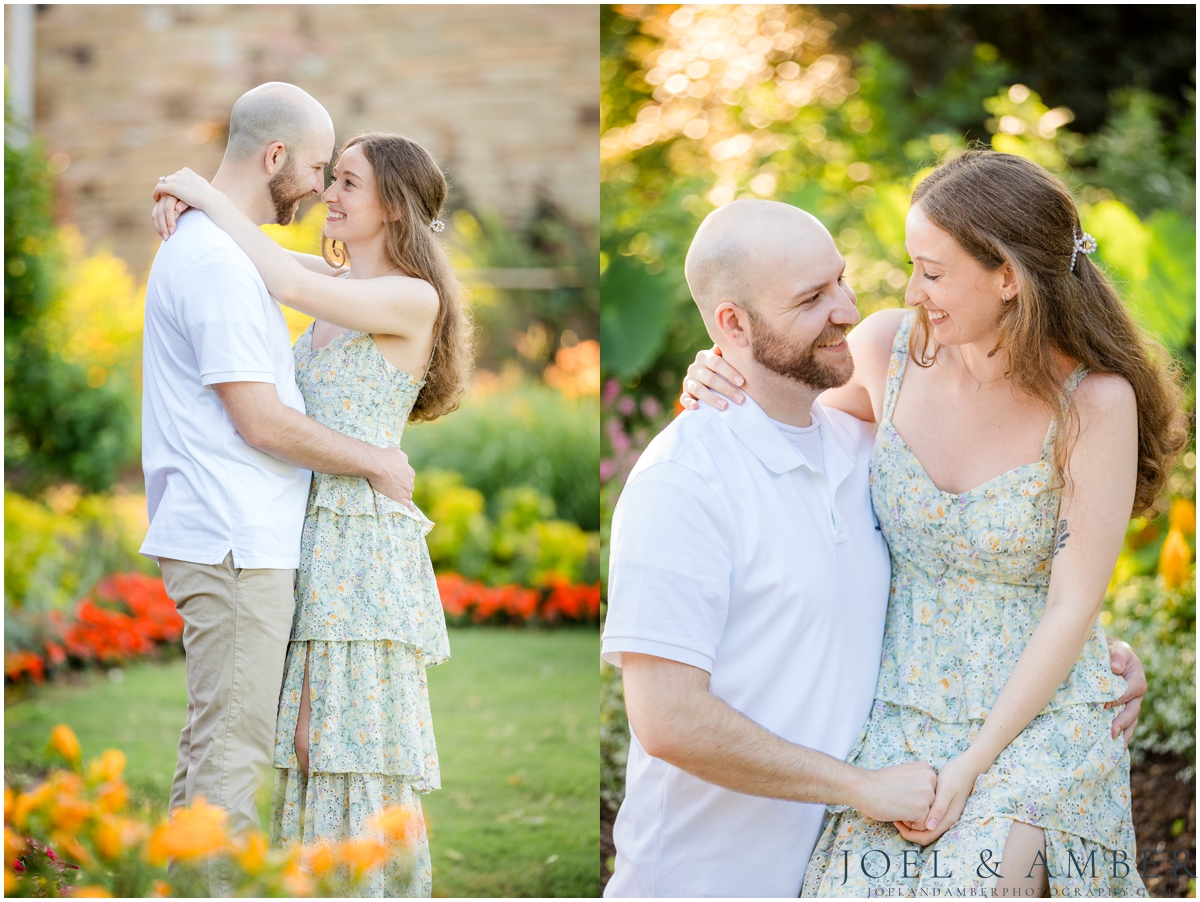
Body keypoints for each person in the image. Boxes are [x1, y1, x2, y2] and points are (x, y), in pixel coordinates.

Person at [602, 197, 1148, 897]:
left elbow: (1002, 549)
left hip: (900, 791)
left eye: (842, 280)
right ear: (731, 326)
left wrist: (1096, 664)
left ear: (1008, 278)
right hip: (718, 871)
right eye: (812, 297)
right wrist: (861, 787)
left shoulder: (859, 444)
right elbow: (668, 718)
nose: (852, 308)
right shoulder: (685, 480)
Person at [152, 126, 471, 896]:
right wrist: (200, 208)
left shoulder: (408, 296)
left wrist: (197, 189)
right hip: (310, 529)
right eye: (332, 177)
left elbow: (283, 280)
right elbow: (264, 263)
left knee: (337, 741)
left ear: (393, 207)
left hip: (359, 539)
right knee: (304, 743)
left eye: (349, 183)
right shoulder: (344, 289)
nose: (330, 192)